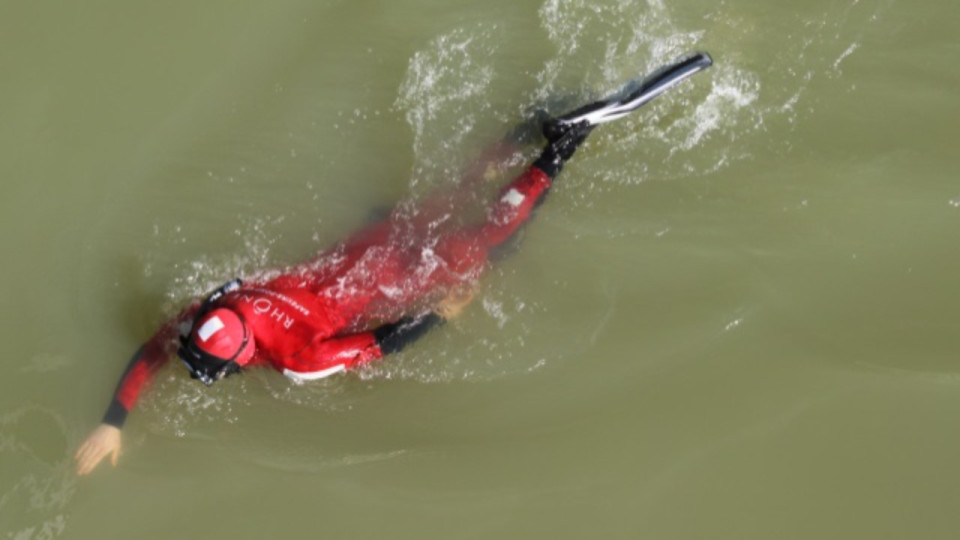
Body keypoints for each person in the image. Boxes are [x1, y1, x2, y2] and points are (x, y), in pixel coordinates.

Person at [75, 52, 712, 475]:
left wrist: (439, 312)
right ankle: (529, 129)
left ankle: (562, 146)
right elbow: (157, 348)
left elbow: (385, 340)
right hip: (367, 249)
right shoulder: (223, 309)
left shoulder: (301, 360)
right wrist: (112, 423)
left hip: (401, 277)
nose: (196, 363)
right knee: (449, 197)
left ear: (241, 355)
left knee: (491, 239)